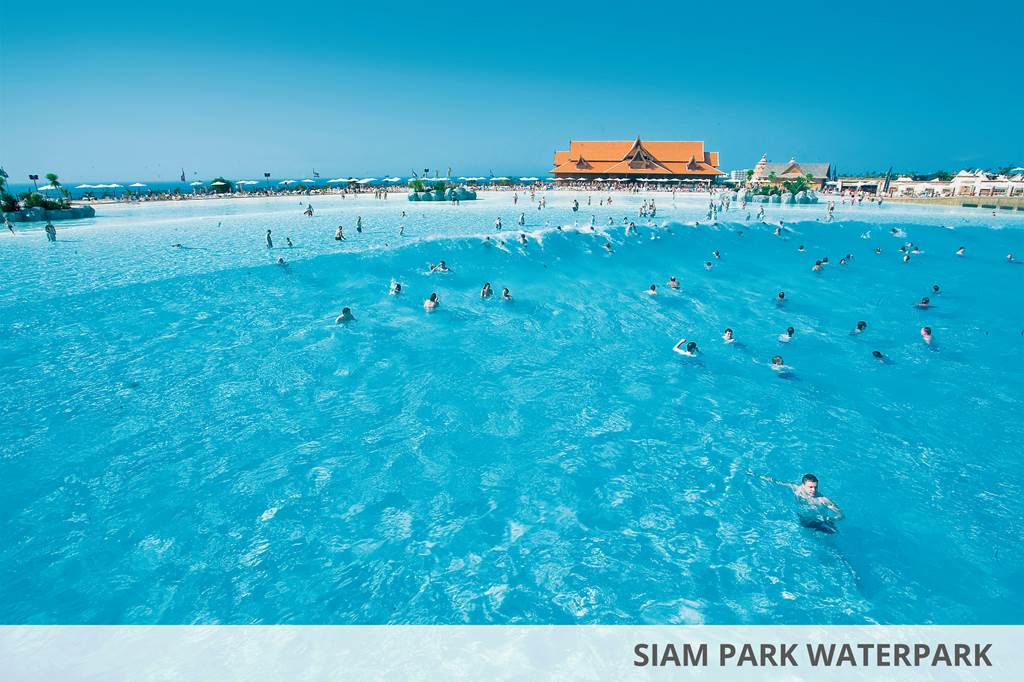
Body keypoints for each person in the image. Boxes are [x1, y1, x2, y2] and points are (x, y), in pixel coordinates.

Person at [761, 473, 844, 533]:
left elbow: (841, 515)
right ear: (803, 485)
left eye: (815, 487)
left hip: (821, 522)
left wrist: (830, 519)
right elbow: (778, 482)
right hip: (804, 520)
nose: (813, 490)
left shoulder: (823, 500)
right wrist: (762, 477)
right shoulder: (796, 489)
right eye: (810, 487)